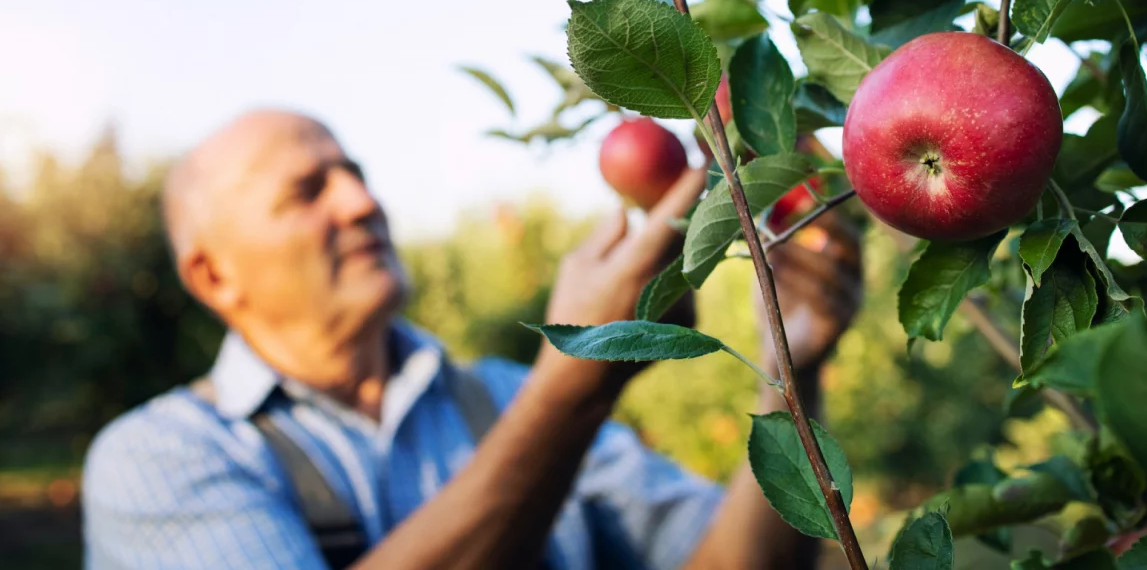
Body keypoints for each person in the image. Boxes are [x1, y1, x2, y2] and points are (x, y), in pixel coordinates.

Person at [82, 109, 862, 570]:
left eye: (354, 172)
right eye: (307, 191)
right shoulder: (158, 459)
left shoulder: (499, 395)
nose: (362, 202)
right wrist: (574, 381)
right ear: (214, 275)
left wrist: (788, 366)